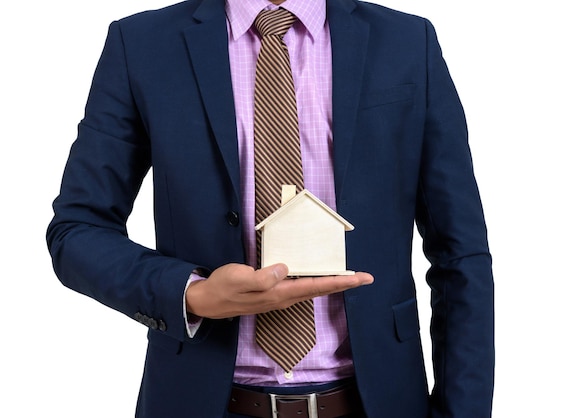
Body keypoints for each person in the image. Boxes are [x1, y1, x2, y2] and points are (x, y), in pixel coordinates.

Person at [46, 0, 495, 416]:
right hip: (200, 400)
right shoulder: (142, 43)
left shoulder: (406, 41)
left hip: (378, 401)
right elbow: (77, 229)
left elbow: (461, 251)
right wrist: (191, 294)